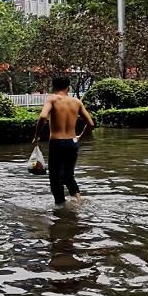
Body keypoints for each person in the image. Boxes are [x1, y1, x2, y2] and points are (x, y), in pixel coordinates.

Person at [32, 76, 95, 206]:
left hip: (57, 142)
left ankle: (60, 207)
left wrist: (37, 135)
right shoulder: (77, 102)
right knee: (68, 175)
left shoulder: (52, 99)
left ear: (53, 87)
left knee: (55, 177)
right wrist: (79, 137)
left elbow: (43, 116)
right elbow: (91, 124)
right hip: (72, 143)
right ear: (68, 87)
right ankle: (79, 200)